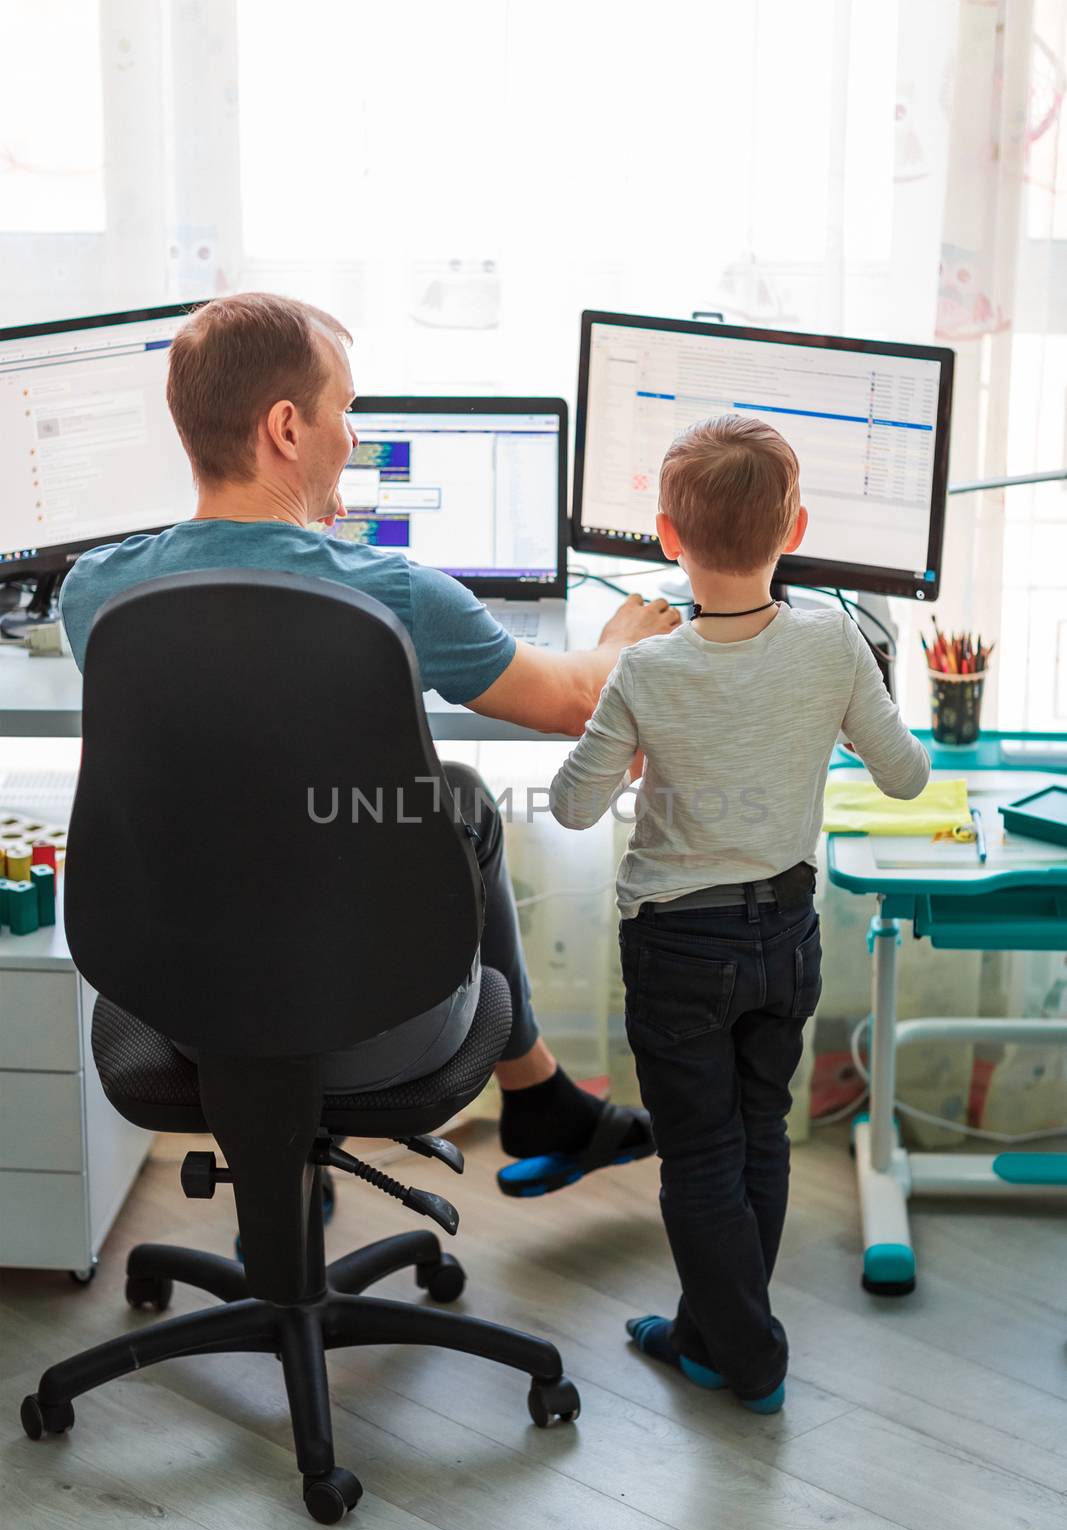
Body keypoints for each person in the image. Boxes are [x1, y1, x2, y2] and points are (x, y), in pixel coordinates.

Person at [59, 292, 682, 1189]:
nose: (352, 436)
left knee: (311, 812)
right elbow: (572, 702)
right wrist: (623, 639)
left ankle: (294, 1181)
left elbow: (234, 741)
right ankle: (536, 1091)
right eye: (344, 412)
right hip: (374, 1027)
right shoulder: (394, 596)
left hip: (184, 1013)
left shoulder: (94, 594)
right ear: (285, 426)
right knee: (458, 800)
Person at [548, 415, 930, 1411]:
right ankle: (710, 1334)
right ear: (793, 526)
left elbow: (572, 805)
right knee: (758, 1130)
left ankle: (748, 1355)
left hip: (678, 944)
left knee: (701, 1154)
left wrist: (625, 713)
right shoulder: (832, 641)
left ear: (666, 538)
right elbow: (903, 776)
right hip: (783, 939)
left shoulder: (648, 667)